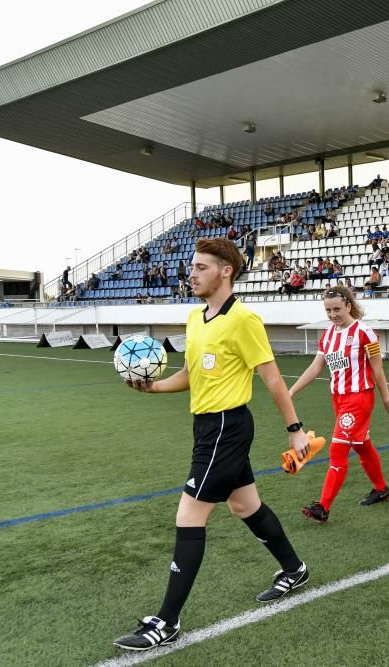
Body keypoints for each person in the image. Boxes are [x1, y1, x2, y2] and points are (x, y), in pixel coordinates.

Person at [113, 238, 310, 651]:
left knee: (189, 514)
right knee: (244, 506)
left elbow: (271, 378)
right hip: (206, 427)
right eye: (192, 266)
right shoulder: (194, 318)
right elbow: (189, 374)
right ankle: (294, 569)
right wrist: (153, 388)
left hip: (228, 427)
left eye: (201, 267)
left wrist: (295, 428)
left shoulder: (244, 320)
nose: (192, 273)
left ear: (226, 271)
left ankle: (166, 622)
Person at [289, 286, 389, 523]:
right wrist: (291, 392)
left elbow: (377, 369)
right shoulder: (328, 335)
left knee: (337, 451)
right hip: (338, 399)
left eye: (337, 309)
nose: (332, 314)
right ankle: (381, 488)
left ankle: (323, 507)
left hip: (359, 398)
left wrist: (387, 399)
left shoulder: (365, 333)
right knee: (361, 445)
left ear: (349, 305)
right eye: (328, 310)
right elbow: (316, 367)